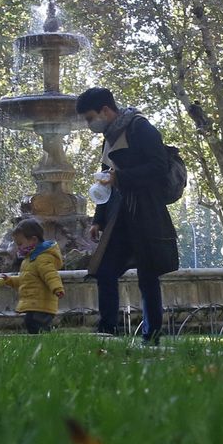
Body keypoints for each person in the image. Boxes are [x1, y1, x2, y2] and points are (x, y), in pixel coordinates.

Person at [76, 87, 181, 343]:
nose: (89, 124)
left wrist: (121, 177)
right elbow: (106, 180)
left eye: (90, 118)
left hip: (145, 214)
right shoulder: (109, 138)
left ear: (105, 110)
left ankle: (151, 336)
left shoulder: (141, 128)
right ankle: (107, 331)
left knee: (148, 276)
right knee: (105, 271)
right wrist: (98, 219)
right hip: (118, 217)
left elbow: (158, 167)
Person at [0, 218, 65, 333]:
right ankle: (41, 341)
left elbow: (50, 274)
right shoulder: (29, 259)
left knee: (36, 325)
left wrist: (57, 288)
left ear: (33, 240)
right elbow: (26, 279)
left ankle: (44, 341)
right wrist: (10, 280)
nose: (18, 247)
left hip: (42, 303)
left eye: (20, 244)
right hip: (36, 303)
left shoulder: (42, 258)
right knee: (31, 323)